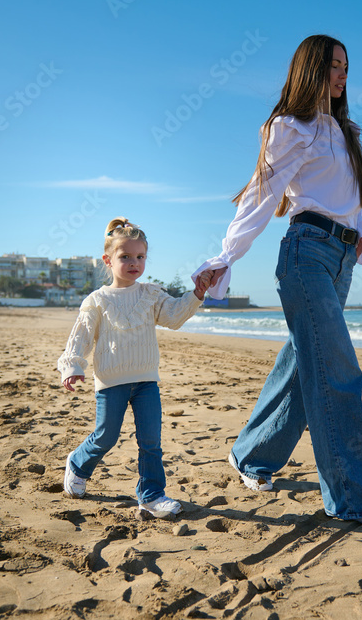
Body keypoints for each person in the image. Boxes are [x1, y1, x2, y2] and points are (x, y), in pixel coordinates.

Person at [192, 35, 362, 525]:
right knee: (337, 372)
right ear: (309, 68)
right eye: (332, 65)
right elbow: (262, 195)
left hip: (340, 259)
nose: (341, 74)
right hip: (306, 253)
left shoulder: (345, 129)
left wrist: (361, 236)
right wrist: (227, 255)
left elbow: (352, 197)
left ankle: (251, 456)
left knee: (299, 368)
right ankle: (355, 499)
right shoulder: (290, 127)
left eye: (346, 66)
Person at [58, 217, 213, 518]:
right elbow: (81, 337)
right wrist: (72, 366)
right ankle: (77, 463)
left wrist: (196, 294)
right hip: (110, 382)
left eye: (140, 257)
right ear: (108, 260)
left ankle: (151, 496)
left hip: (146, 381)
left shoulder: (151, 294)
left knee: (151, 441)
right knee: (106, 436)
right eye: (125, 256)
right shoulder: (97, 300)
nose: (134, 263)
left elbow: (173, 317)